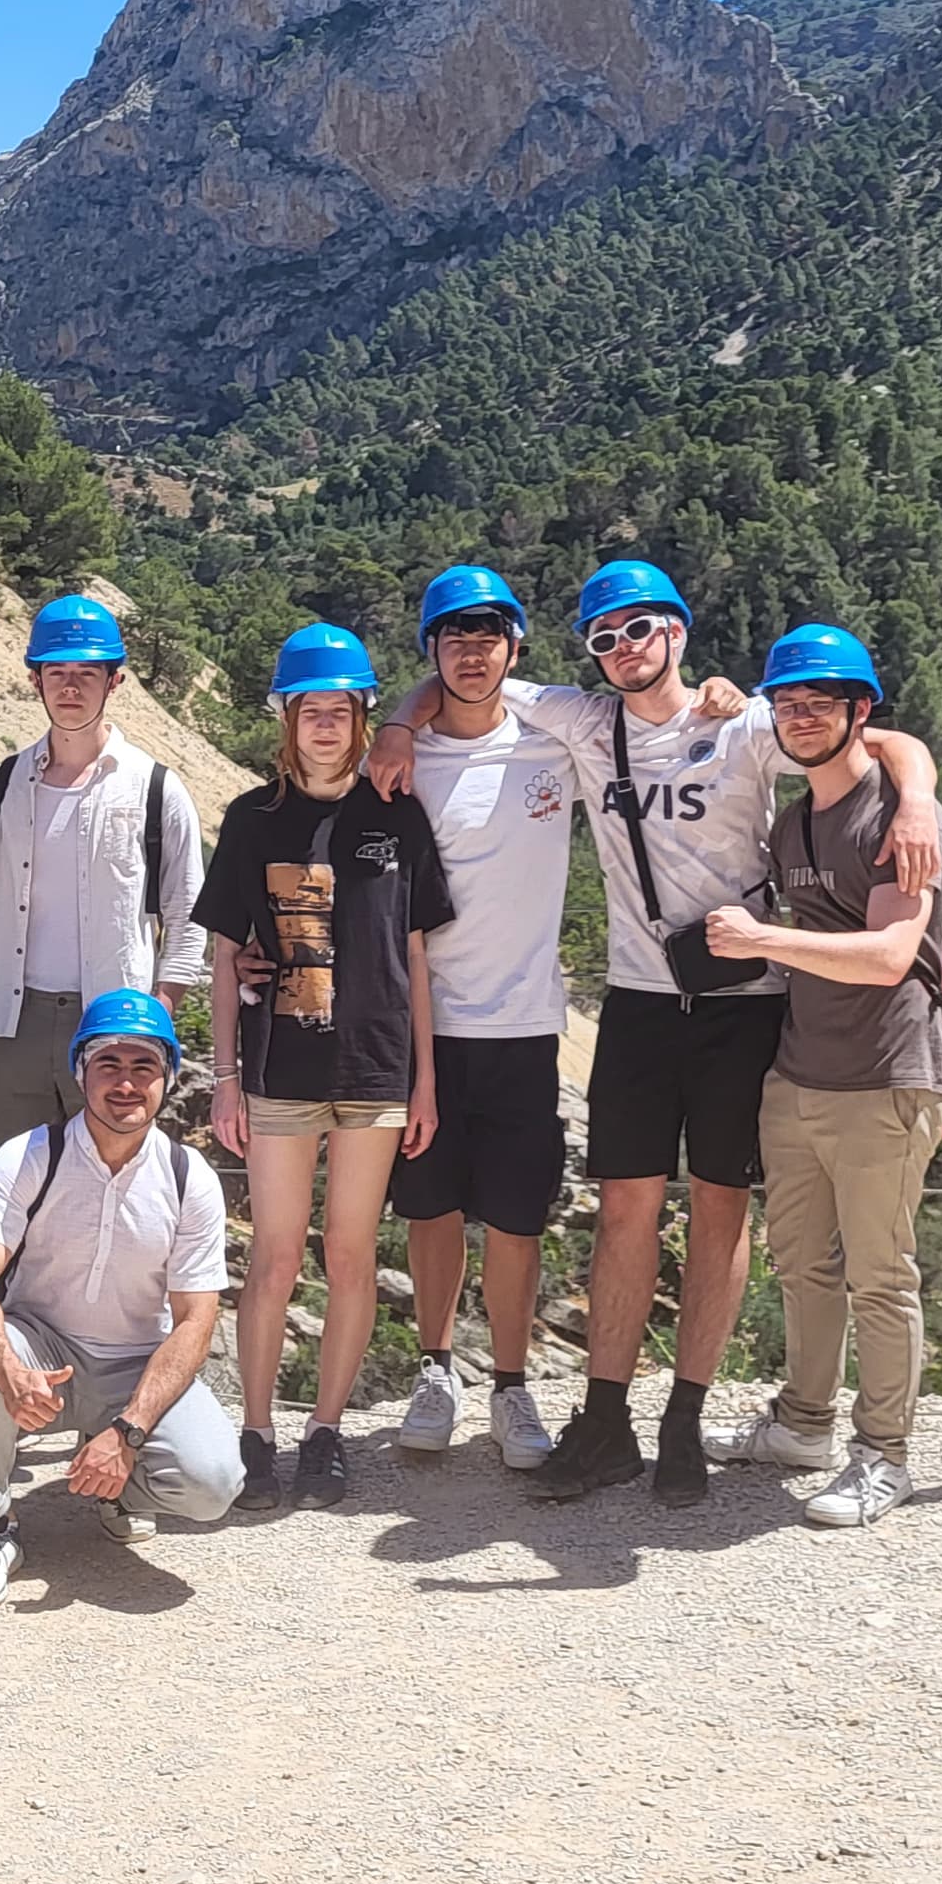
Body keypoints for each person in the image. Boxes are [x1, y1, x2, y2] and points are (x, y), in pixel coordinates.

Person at [495, 563, 938, 1511]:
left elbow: (878, 736)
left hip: (747, 1001)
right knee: (625, 1207)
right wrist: (398, 727)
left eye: (638, 628)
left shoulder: (747, 723)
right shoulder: (583, 720)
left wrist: (914, 801)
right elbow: (471, 673)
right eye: (603, 636)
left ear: (678, 631)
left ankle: (684, 1418)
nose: (621, 648)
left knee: (720, 1209)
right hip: (641, 1000)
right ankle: (606, 1421)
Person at [699, 625, 942, 1530]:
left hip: (888, 1073)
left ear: (860, 710)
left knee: (880, 1275)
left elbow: (890, 955)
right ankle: (803, 1425)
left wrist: (760, 939)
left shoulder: (901, 818)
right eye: (789, 704)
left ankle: (885, 1454)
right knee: (803, 1263)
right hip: (802, 1070)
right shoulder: (793, 820)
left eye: (822, 702)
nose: (803, 717)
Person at [192, 627, 448, 1513]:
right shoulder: (251, 818)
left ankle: (326, 1433)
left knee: (349, 1255)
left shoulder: (399, 816)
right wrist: (225, 1077)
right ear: (287, 718)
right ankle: (257, 1432)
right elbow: (224, 957)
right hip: (278, 1071)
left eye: (341, 710)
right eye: (312, 711)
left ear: (362, 716)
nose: (327, 725)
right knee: (272, 1258)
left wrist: (424, 1081)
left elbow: (415, 957)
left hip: (376, 1070)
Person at [349, 569, 580, 1471]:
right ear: (432, 650)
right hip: (426, 1028)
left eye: (487, 637)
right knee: (432, 1209)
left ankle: (511, 1387)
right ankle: (436, 1371)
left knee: (517, 1220)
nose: (471, 653)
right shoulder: (398, 765)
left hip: (524, 1024)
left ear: (515, 646)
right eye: (453, 638)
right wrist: (399, 725)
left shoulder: (556, 745)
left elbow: (649, 719)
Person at [0, 991, 237, 1611]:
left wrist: (129, 1430)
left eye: (143, 1066)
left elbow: (195, 1321)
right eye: (108, 1065)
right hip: (41, 1349)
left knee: (211, 1485)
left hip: (136, 1364)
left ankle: (115, 1486)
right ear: (80, 1072)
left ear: (167, 1079)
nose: (125, 1084)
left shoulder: (190, 1179)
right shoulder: (30, 1155)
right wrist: (6, 1367)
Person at [0, 594, 208, 1159]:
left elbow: (188, 912)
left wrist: (160, 1009)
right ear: (35, 680)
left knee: (108, 1179)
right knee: (9, 1180)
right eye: (57, 672)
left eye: (87, 673)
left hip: (116, 1024)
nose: (70, 687)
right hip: (11, 1021)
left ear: (114, 682)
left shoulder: (156, 788)